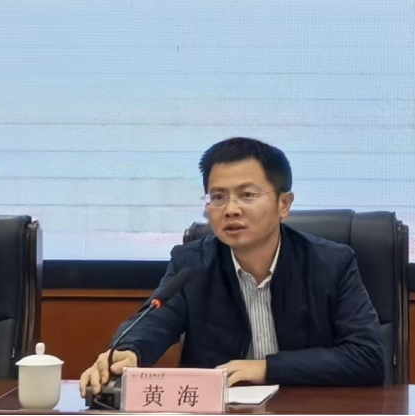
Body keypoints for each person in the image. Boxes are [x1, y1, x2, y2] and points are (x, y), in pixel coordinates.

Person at [80, 137, 385, 397]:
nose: (231, 209)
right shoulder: (192, 264)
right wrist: (130, 351)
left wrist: (265, 368)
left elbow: (367, 358)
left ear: (284, 204)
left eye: (247, 195)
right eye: (218, 197)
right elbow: (156, 322)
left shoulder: (331, 264)